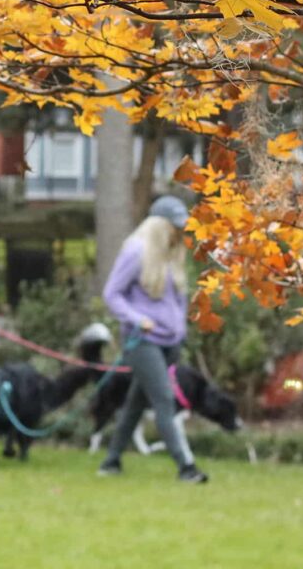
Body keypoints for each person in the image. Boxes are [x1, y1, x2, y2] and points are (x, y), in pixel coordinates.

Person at [98, 194, 208, 484]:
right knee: (164, 400)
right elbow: (112, 294)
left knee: (136, 402)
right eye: (175, 228)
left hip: (169, 343)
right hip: (142, 341)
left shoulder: (171, 256)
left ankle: (111, 461)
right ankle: (187, 467)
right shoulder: (136, 252)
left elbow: (177, 300)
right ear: (160, 227)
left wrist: (180, 332)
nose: (179, 234)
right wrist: (137, 319)